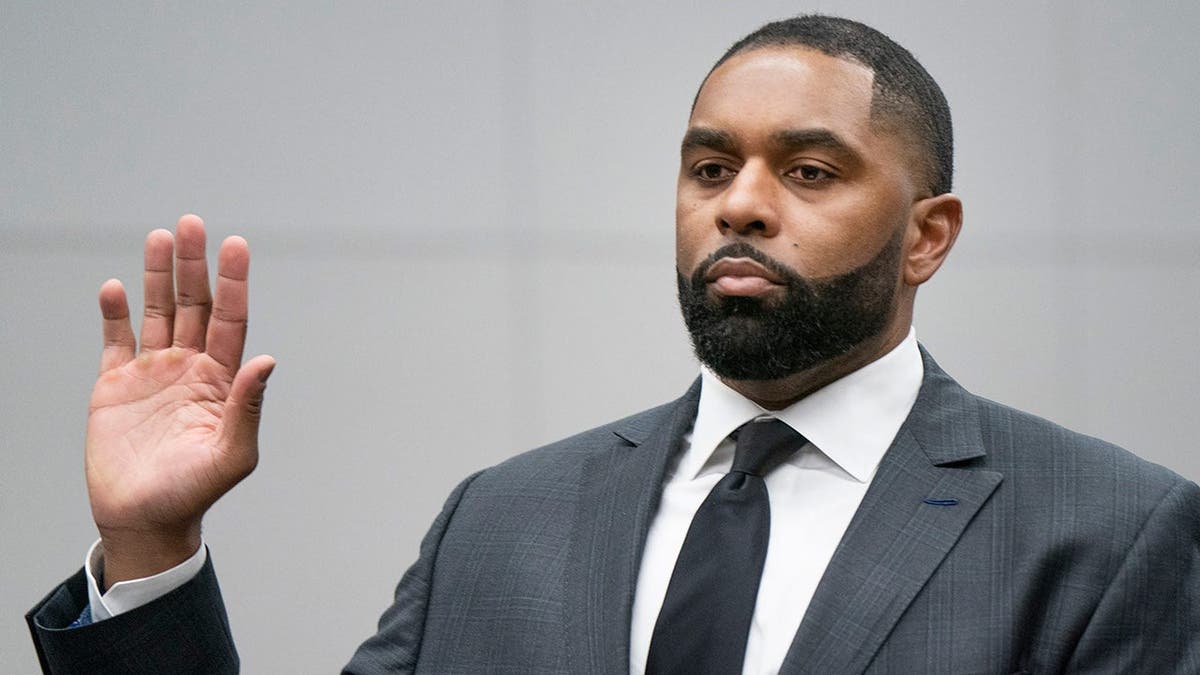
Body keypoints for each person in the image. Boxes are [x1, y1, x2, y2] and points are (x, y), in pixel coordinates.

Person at [26, 14, 1200, 674]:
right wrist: (150, 543)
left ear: (926, 236)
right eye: (707, 168)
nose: (737, 205)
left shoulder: (1103, 533)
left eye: (806, 170)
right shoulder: (501, 521)